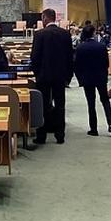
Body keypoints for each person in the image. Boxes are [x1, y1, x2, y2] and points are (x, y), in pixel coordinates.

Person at [31, 8, 74, 145]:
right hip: (60, 76)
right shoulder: (65, 34)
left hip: (43, 76)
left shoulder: (39, 34)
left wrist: (36, 73)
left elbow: (35, 57)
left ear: (44, 18)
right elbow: (70, 57)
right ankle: (60, 135)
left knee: (43, 105)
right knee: (60, 105)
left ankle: (41, 136)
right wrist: (68, 76)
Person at [74, 25, 111, 137]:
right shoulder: (101, 46)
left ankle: (94, 129)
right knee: (106, 102)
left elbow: (77, 66)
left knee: (91, 103)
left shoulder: (80, 48)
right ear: (93, 33)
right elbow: (106, 64)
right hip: (101, 78)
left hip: (87, 79)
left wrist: (80, 80)